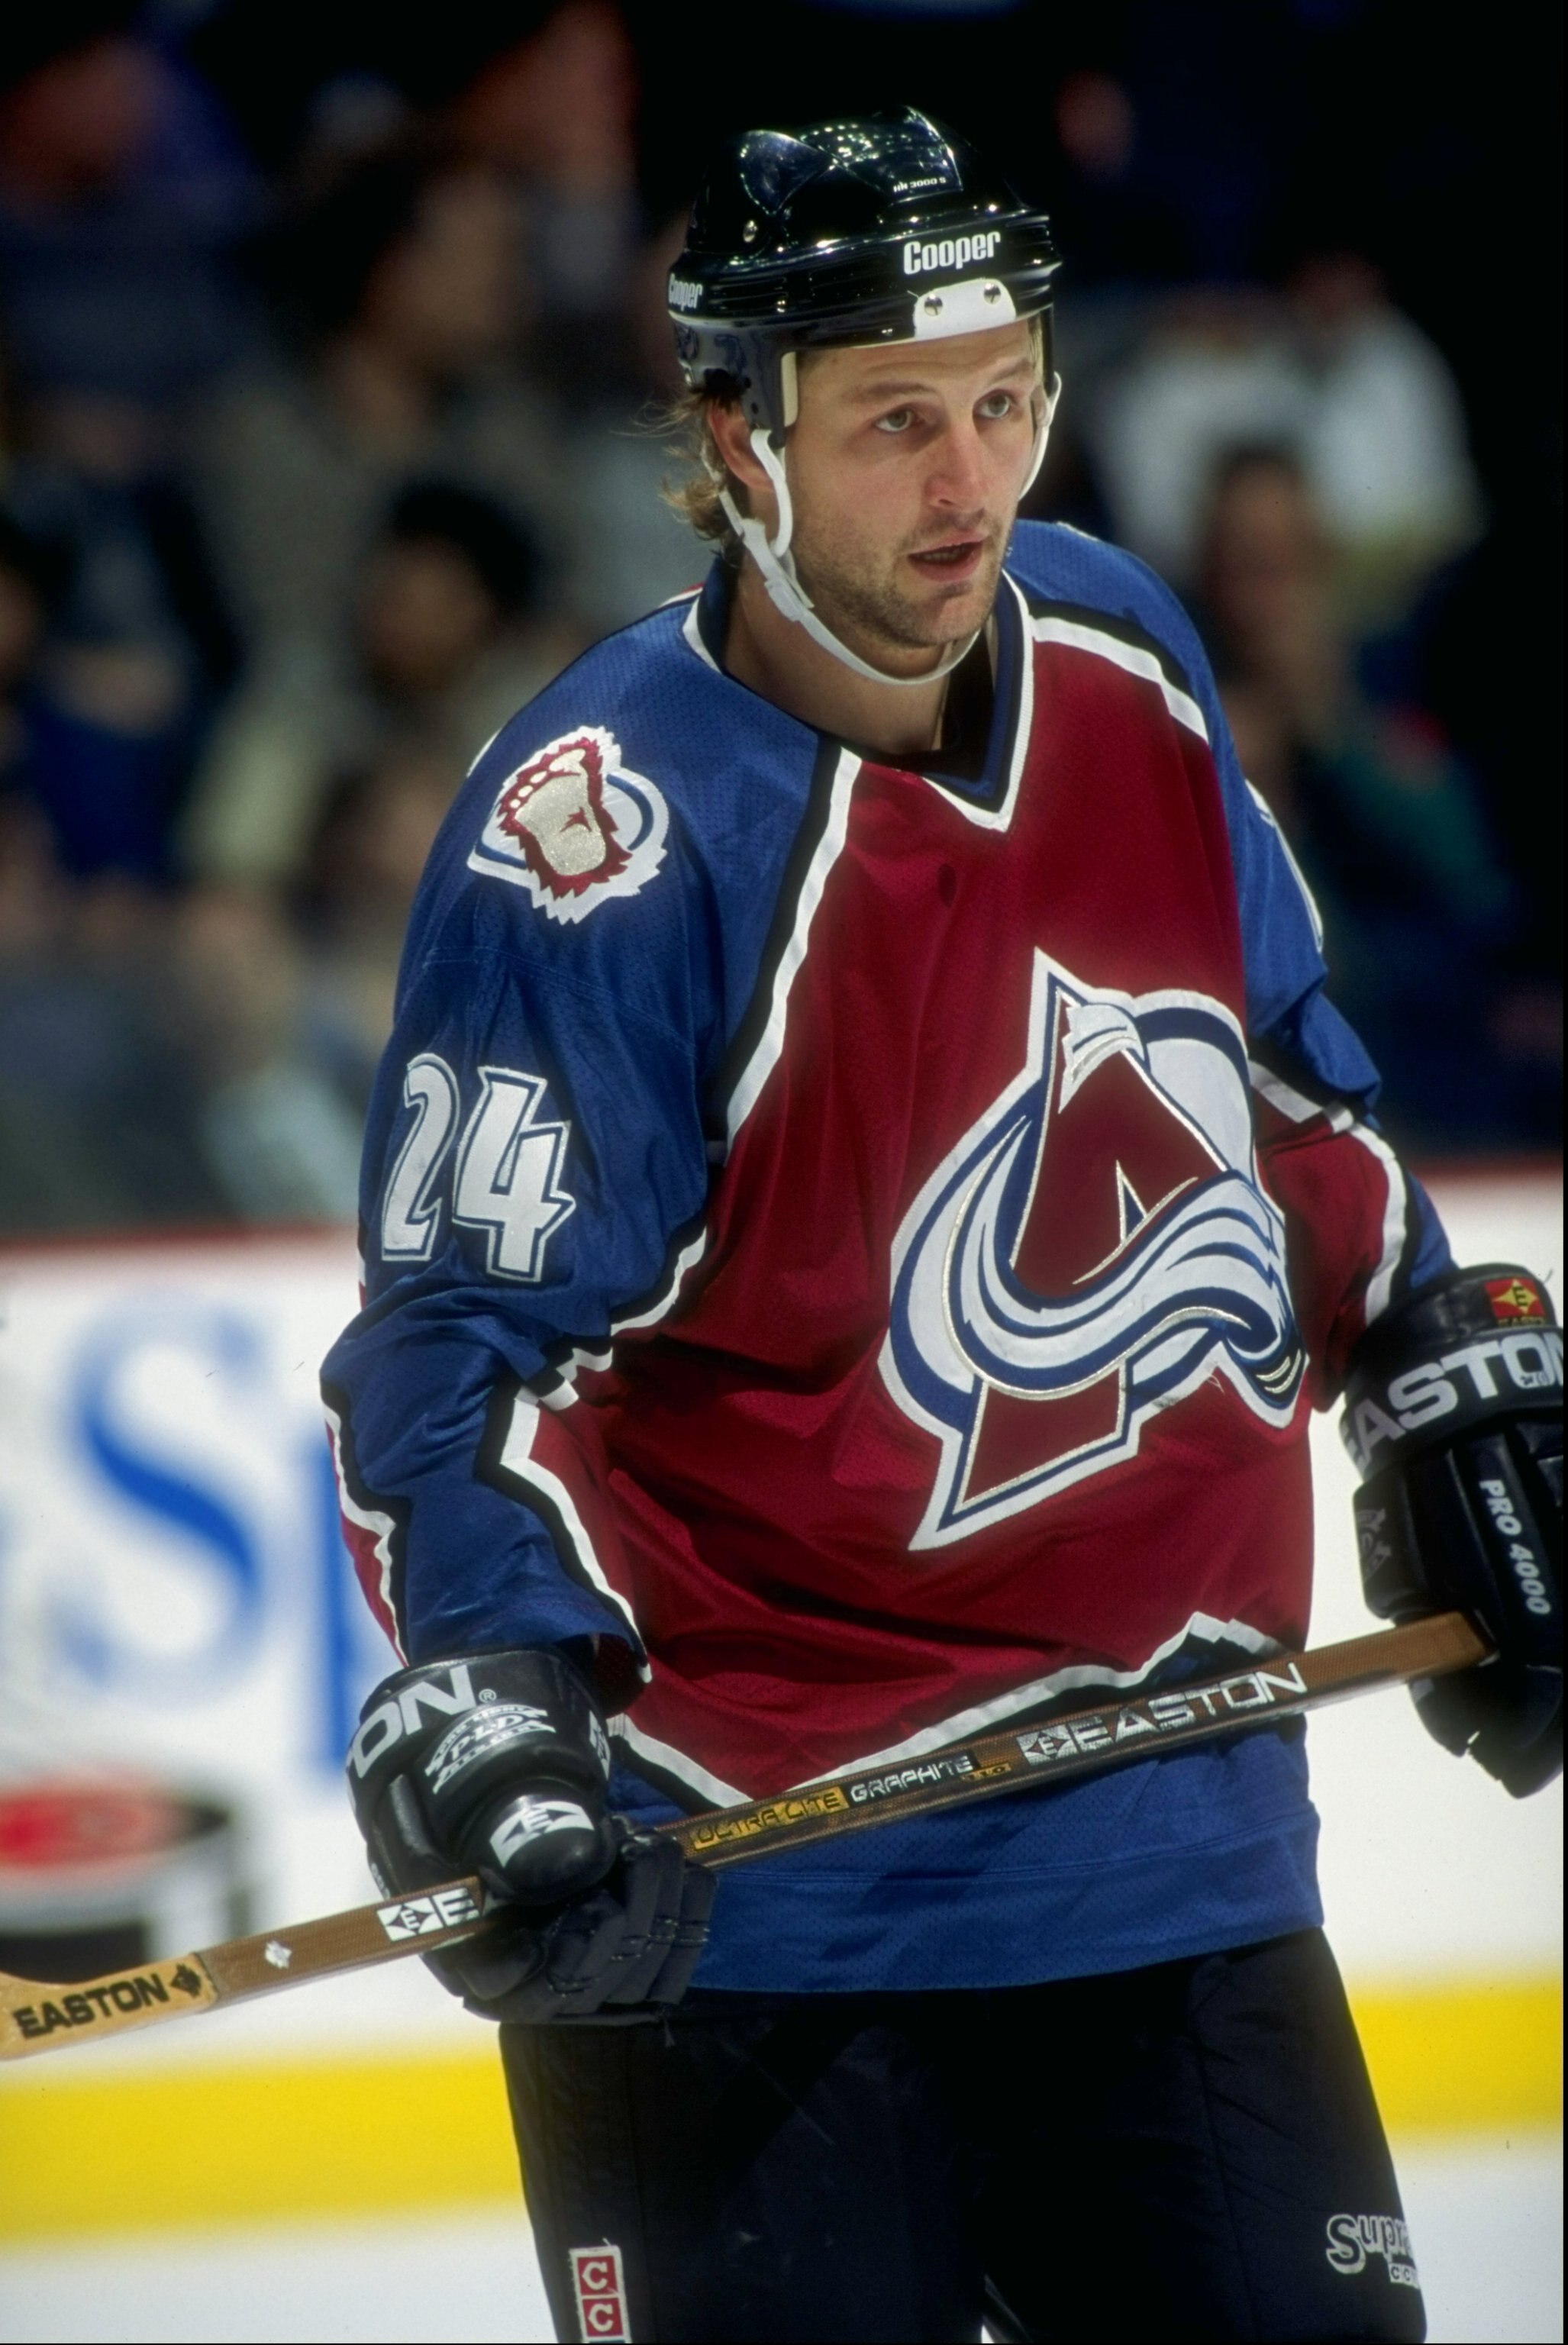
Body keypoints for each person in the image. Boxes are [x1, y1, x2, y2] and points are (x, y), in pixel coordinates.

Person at [323, 111, 1561, 2343]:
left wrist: (1437, 1336)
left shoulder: (1126, 654)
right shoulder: (591, 844)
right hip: (748, 1913)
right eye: (896, 424)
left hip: (1172, 1848)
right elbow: (443, 1364)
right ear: (737, 438)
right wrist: (492, 1690)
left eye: (1007, 403)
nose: (970, 484)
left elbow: (1277, 1085)